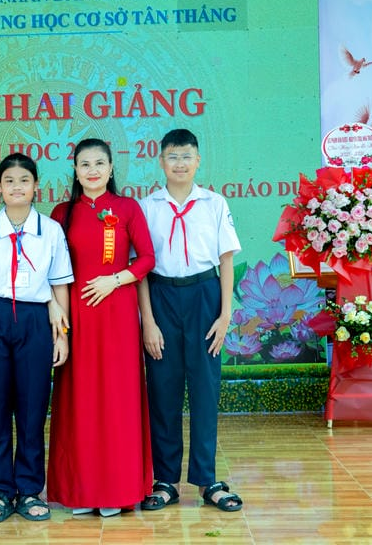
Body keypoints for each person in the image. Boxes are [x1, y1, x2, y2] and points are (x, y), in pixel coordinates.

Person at [0, 153, 73, 523]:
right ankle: (1, 492)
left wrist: (62, 333)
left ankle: (30, 490)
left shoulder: (50, 231)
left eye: (24, 180)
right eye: (9, 180)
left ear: (36, 185)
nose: (17, 187)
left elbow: (60, 283)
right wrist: (1, 301)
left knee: (32, 407)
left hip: (36, 319)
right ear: (0, 187)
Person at [46, 138, 155, 517]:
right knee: (79, 401)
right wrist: (58, 321)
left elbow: (147, 258)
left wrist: (116, 279)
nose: (92, 170)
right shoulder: (62, 213)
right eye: (84, 164)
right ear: (75, 171)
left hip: (118, 315)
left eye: (99, 163)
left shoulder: (127, 208)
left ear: (110, 169)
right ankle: (80, 491)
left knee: (116, 400)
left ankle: (117, 491)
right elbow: (51, 267)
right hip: (75, 317)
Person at [137, 128, 243, 513]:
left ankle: (206, 479)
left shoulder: (214, 203)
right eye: (172, 156)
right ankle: (165, 480)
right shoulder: (146, 207)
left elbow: (226, 260)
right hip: (161, 296)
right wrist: (148, 321)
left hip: (204, 296)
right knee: (162, 390)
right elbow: (141, 269)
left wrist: (225, 315)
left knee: (204, 390)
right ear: (160, 162)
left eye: (186, 157)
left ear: (198, 161)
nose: (179, 164)